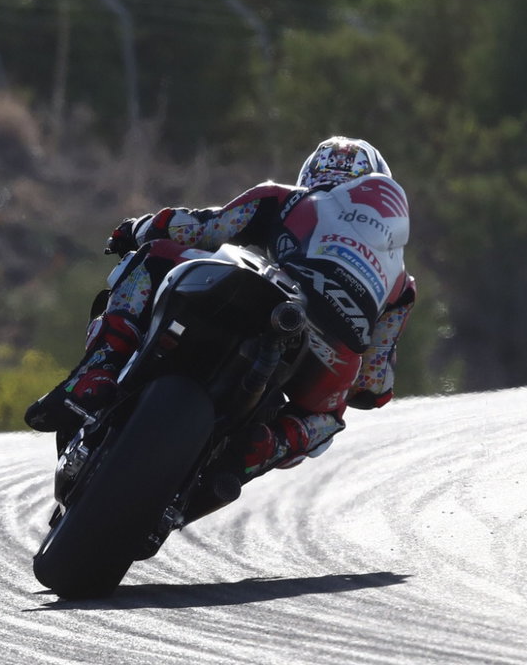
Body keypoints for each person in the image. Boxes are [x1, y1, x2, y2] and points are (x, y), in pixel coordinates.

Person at [24, 136, 415, 487]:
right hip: (335, 354)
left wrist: (138, 228)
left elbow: (201, 228)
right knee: (325, 419)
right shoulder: (402, 284)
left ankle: (99, 371)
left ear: (311, 174)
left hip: (274, 300)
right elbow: (373, 382)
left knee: (154, 257)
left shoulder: (287, 197)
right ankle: (259, 449)